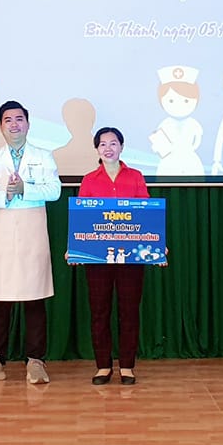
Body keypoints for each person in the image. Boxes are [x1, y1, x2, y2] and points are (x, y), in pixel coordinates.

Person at [0, 101, 62, 385]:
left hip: (32, 234)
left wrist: (26, 189)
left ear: (28, 124)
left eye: (19, 119)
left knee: (34, 300)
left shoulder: (43, 156)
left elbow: (55, 190)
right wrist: (7, 195)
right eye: (8, 120)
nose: (14, 124)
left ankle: (35, 361)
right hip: (1, 235)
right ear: (1, 126)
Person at [77, 126, 151, 385]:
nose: (108, 148)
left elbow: (146, 214)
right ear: (97, 149)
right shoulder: (89, 180)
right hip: (97, 258)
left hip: (131, 257)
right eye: (103, 144)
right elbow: (82, 218)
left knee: (129, 311)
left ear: (121, 146)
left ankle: (127, 366)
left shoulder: (136, 176)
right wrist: (74, 246)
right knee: (99, 311)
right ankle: (103, 366)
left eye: (113, 143)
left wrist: (156, 243)